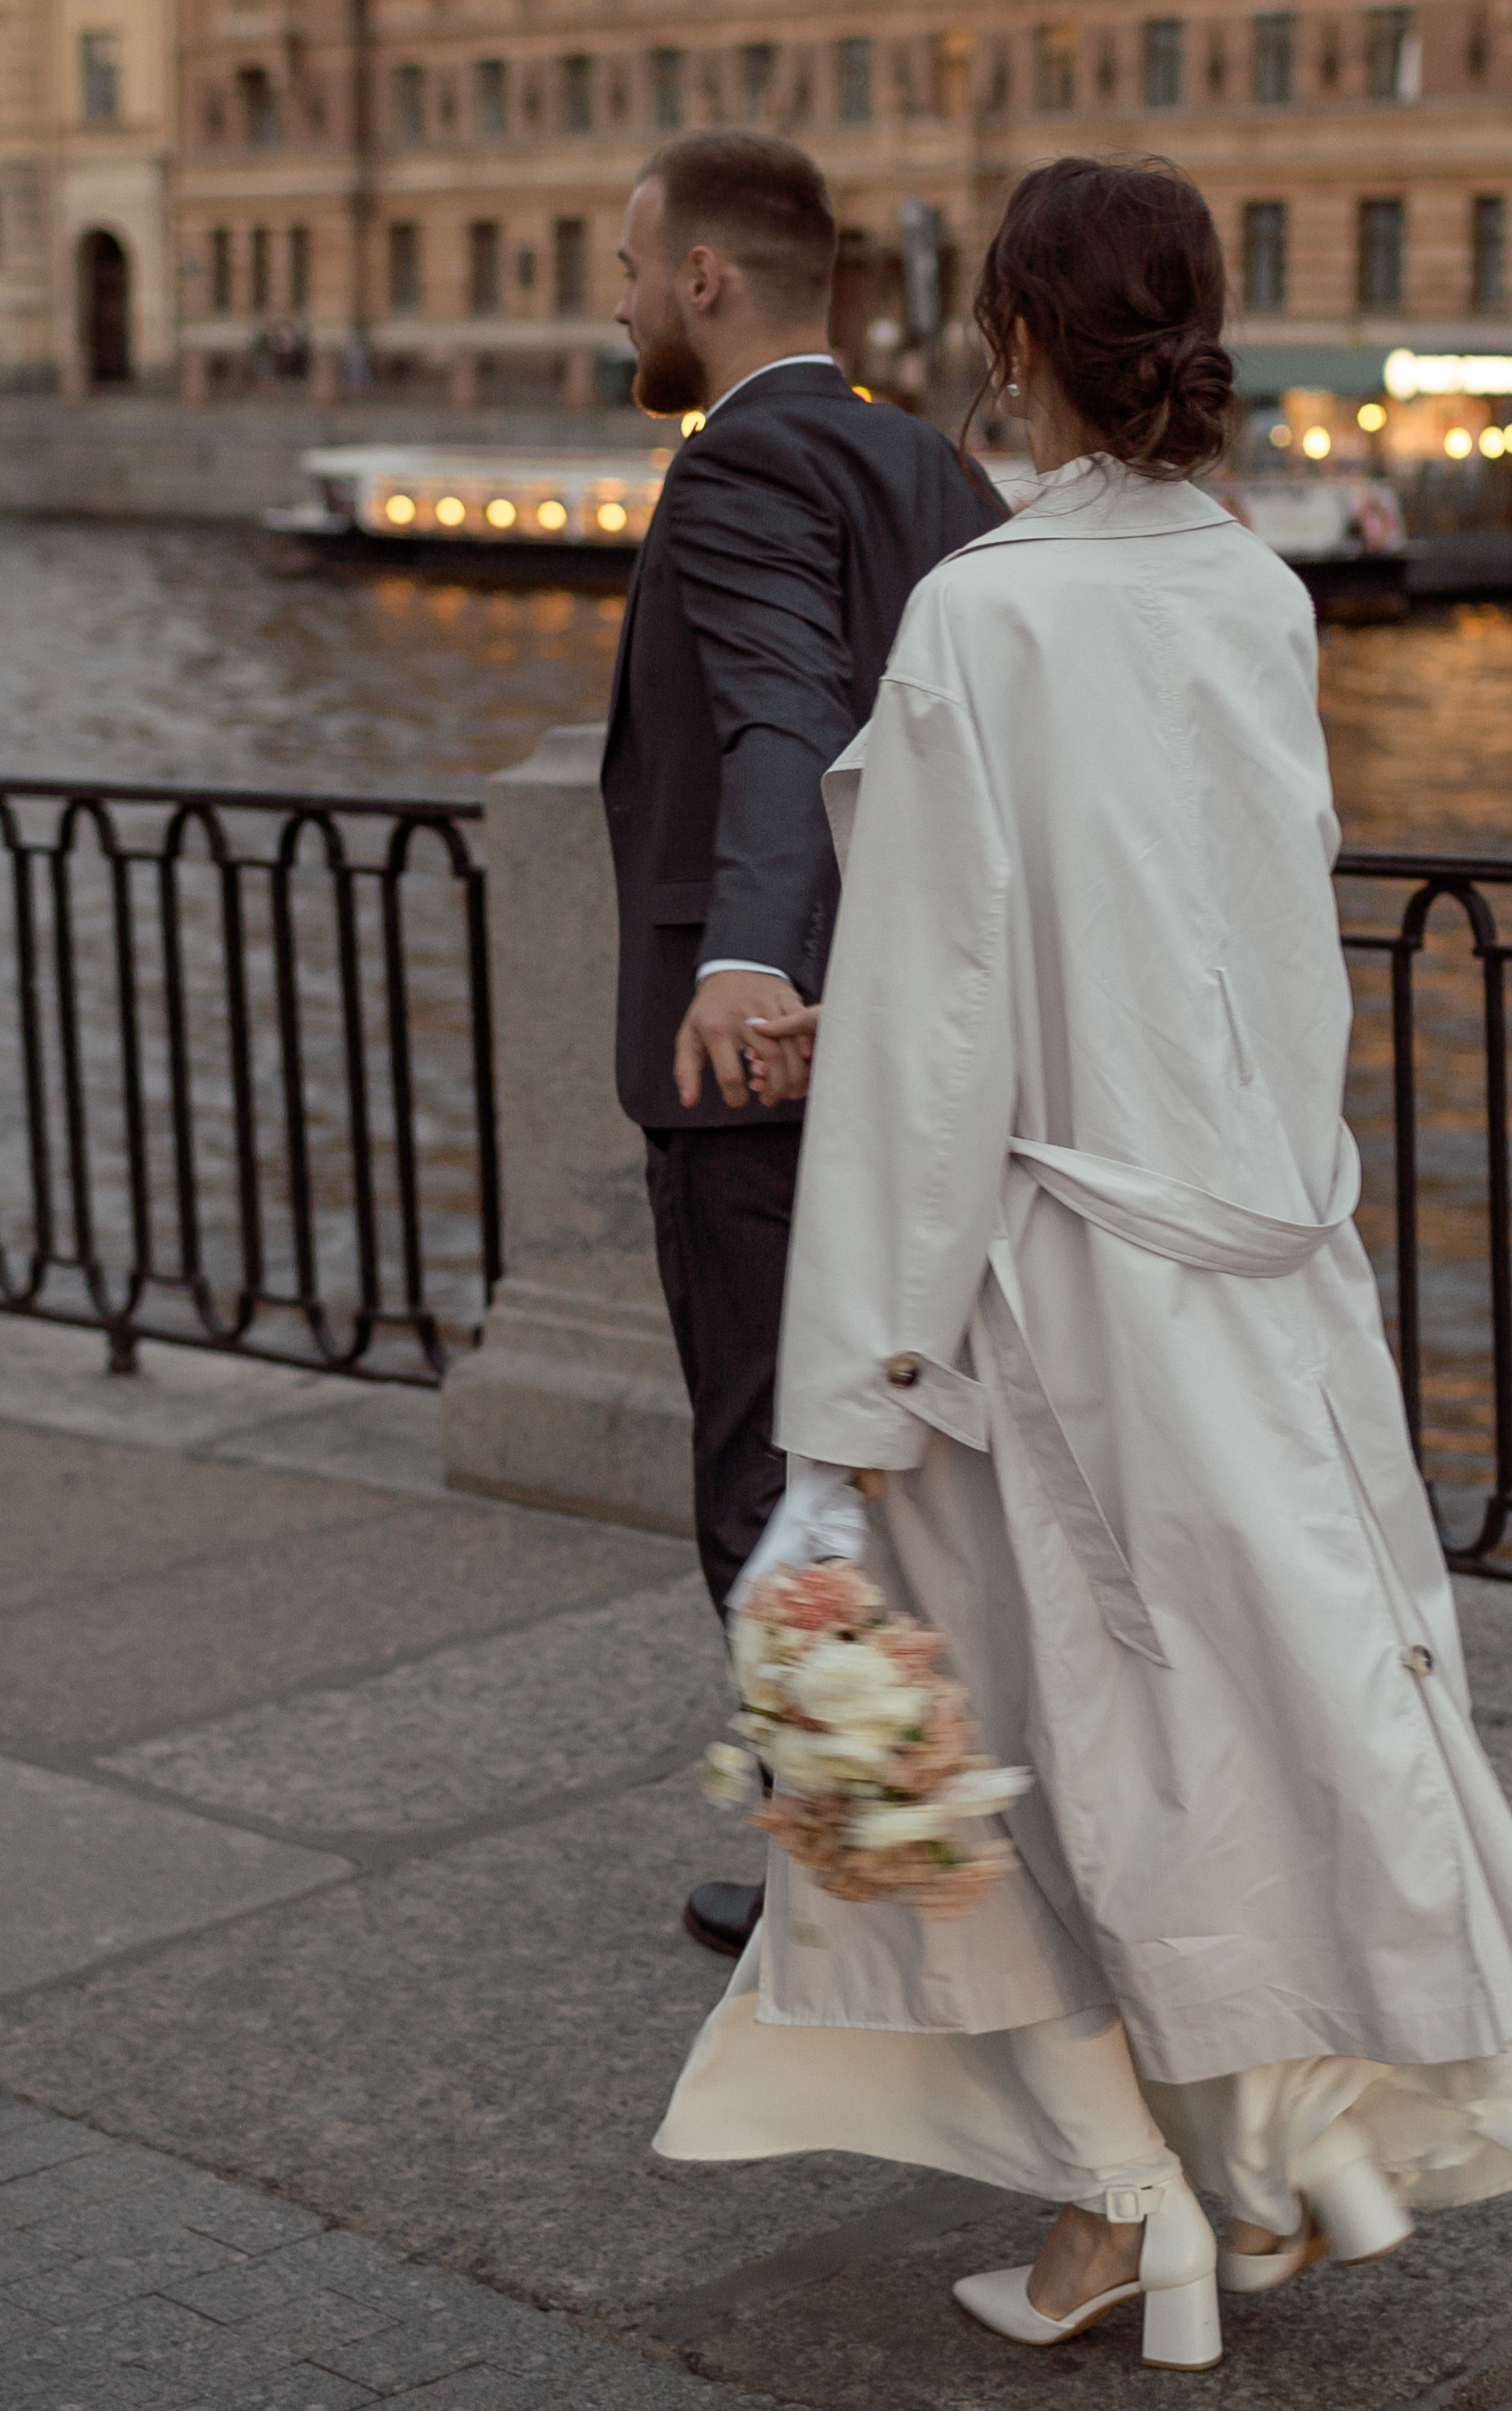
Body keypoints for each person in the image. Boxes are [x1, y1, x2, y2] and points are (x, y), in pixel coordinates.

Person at [654, 158, 1512, 2364]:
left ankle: (1120, 2208)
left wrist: (849, 1392)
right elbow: (1252, 955)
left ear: (1007, 339)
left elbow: (935, 1032)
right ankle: (1262, 2171)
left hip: (1047, 1284)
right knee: (1247, 1744)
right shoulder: (1250, 591)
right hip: (1254, 1264)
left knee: (998, 1771)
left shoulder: (988, 615)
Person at [603, 129, 1004, 1960]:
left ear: (702, 277)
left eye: (625, 266)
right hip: (911, 1048)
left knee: (766, 1468)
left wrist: (745, 961)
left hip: (762, 1065)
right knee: (883, 1459)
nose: (614, 299)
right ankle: (894, 1829)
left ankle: (842, 1880)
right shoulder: (924, 461)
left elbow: (781, 721)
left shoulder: (740, 461)